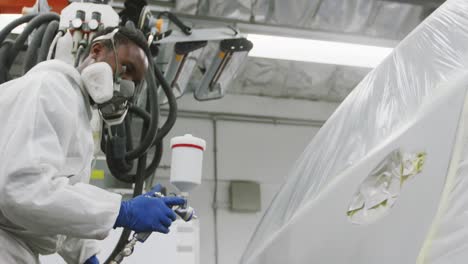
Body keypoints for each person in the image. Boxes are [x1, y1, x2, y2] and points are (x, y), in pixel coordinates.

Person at [0, 26, 185, 264]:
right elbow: (25, 190)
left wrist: (87, 257)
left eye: (135, 82)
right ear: (96, 51)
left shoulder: (78, 114)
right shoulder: (50, 89)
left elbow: (56, 207)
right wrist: (123, 211)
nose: (126, 85)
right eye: (127, 68)